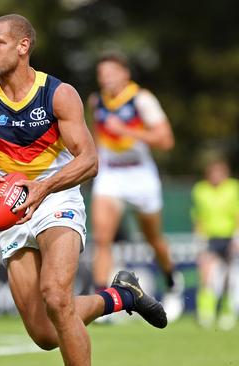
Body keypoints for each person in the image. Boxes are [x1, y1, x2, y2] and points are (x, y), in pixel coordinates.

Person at [0, 14, 167, 365]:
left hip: (56, 197)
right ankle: (122, 296)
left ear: (23, 47)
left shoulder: (58, 94)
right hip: (10, 210)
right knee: (44, 334)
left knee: (56, 296)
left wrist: (43, 187)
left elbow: (89, 161)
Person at [88, 53, 184, 322]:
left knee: (153, 238)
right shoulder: (97, 101)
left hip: (140, 174)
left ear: (125, 74)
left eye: (111, 72)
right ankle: (100, 303)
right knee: (102, 238)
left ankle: (172, 281)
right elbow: (98, 137)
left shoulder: (142, 99)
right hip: (110, 175)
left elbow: (165, 140)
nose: (105, 77)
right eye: (101, 73)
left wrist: (128, 132)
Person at [191, 157, 239, 329]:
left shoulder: (234, 188)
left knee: (229, 276)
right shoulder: (200, 190)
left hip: (230, 237)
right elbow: (198, 216)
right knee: (206, 274)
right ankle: (205, 313)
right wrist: (199, 240)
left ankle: (227, 311)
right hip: (210, 238)